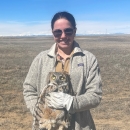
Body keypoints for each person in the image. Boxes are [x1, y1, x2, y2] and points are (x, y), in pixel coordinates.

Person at [23, 11, 102, 130]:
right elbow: (29, 88)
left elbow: (95, 95)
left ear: (75, 31)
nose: (63, 36)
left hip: (79, 126)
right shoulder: (41, 59)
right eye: (58, 32)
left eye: (68, 31)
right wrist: (41, 110)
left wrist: (72, 102)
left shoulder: (88, 59)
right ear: (52, 33)